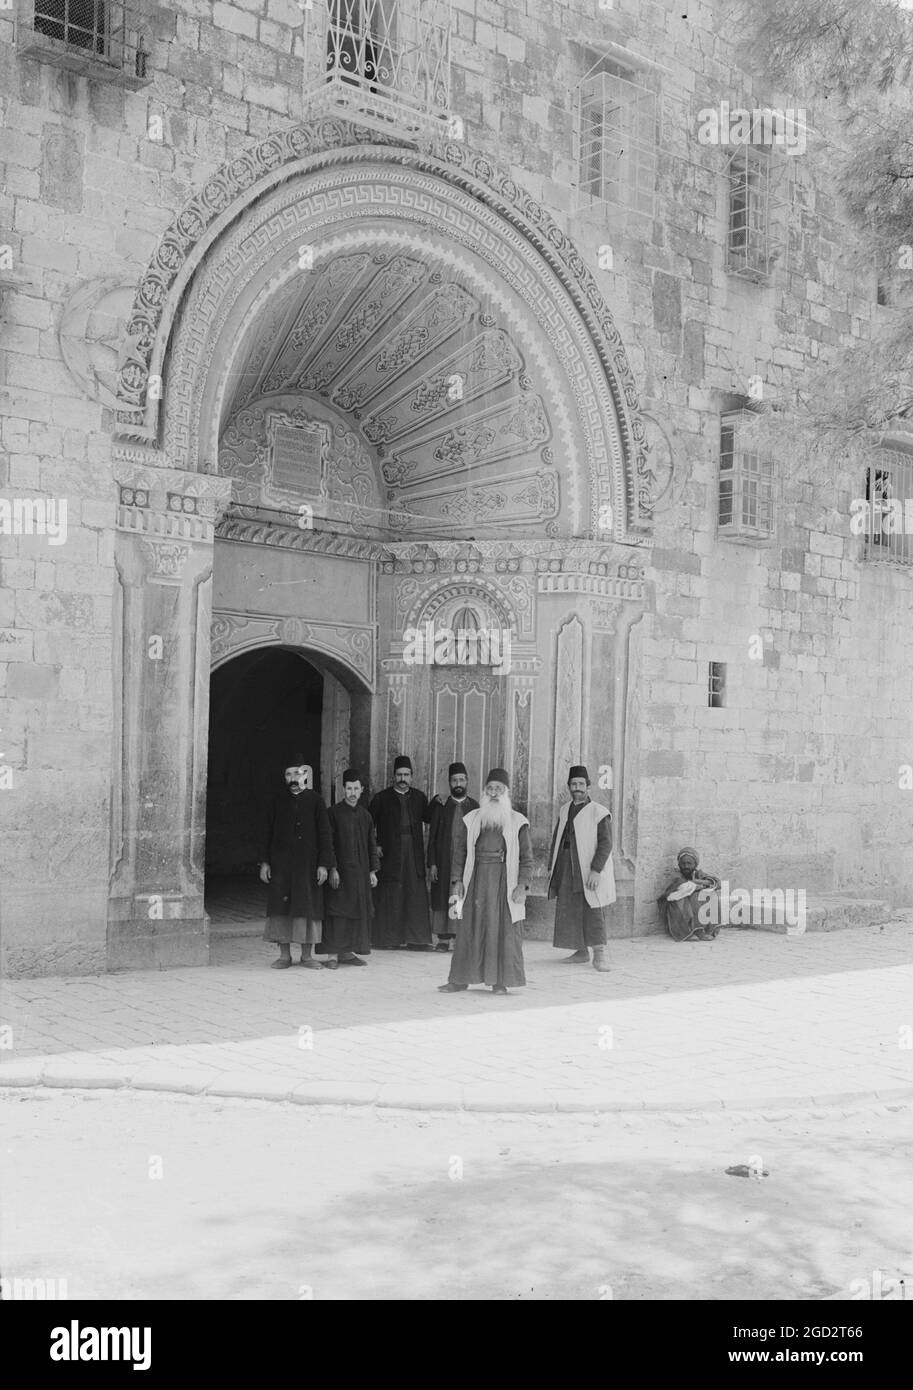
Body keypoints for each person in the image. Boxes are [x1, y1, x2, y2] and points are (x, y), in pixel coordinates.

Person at [439, 767, 532, 996]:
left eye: (497, 789)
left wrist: (523, 885)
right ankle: (459, 980)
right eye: (489, 788)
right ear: (483, 791)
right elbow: (459, 853)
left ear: (506, 792)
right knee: (467, 929)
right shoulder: (471, 819)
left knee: (503, 931)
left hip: (504, 882)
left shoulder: (518, 821)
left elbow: (527, 858)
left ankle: (499, 982)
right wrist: (456, 881)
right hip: (475, 880)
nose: (493, 793)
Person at [259, 761, 334, 969]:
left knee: (307, 907)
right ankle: (284, 956)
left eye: (297, 773)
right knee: (281, 908)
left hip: (308, 866)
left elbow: (325, 835)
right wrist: (265, 863)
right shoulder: (276, 800)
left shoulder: (316, 801)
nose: (293, 778)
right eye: (288, 774)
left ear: (305, 776)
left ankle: (307, 956)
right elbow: (266, 832)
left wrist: (324, 865)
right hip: (281, 865)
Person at [547, 764, 615, 972]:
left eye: (581, 784)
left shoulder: (599, 811)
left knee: (592, 908)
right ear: (569, 786)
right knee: (570, 908)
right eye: (573, 784)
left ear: (588, 787)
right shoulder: (565, 809)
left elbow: (606, 843)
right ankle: (581, 951)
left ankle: (600, 953)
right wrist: (552, 867)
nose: (577, 787)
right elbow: (557, 838)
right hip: (567, 866)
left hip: (587, 866)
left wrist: (596, 870)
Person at [317, 770, 379, 970]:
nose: (352, 792)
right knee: (338, 912)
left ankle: (347, 952)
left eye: (356, 788)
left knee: (356, 911)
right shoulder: (333, 813)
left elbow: (371, 844)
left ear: (361, 790)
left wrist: (372, 872)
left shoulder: (366, 816)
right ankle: (333, 955)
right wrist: (332, 868)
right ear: (343, 789)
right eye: (349, 788)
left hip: (360, 873)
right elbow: (328, 844)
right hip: (340, 873)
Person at [369, 755, 432, 950]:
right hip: (390, 853)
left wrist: (439, 802)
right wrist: (375, 845)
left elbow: (430, 818)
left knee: (415, 893)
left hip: (413, 852)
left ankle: (417, 940)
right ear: (393, 776)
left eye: (406, 775)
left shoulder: (420, 797)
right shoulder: (381, 798)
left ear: (412, 777)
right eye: (399, 775)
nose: (402, 778)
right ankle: (388, 940)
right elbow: (367, 824)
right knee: (392, 895)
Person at [427, 762, 479, 952]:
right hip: (443, 860)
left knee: (458, 896)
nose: (458, 783)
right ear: (449, 782)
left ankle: (458, 937)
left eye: (462, 780)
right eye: (455, 780)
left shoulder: (474, 807)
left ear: (467, 782)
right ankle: (442, 938)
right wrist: (432, 863)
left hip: (465, 861)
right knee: (442, 897)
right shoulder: (441, 805)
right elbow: (432, 836)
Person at [657, 846, 722, 941]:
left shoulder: (698, 874)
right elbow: (684, 887)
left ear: (695, 864)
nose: (686, 866)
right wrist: (699, 884)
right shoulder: (676, 875)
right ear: (679, 865)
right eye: (683, 864)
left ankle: (707, 930)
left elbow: (716, 883)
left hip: (692, 903)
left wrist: (697, 882)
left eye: (689, 863)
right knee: (693, 896)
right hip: (675, 907)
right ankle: (690, 932)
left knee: (711, 895)